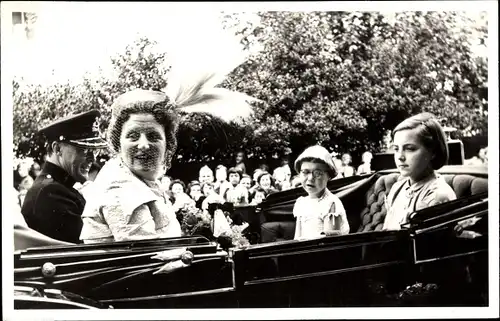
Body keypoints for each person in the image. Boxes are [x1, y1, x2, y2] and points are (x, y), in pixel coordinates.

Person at [21, 110, 108, 243]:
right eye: (83, 150)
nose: (92, 159)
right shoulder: (50, 193)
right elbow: (88, 247)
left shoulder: (57, 188)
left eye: (94, 151)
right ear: (57, 149)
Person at [383, 113, 457, 231]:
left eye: (410, 149)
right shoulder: (398, 187)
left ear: (432, 152)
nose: (400, 157)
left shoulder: (438, 196)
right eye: (396, 149)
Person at [293, 145, 350, 240]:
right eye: (305, 172)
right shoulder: (301, 202)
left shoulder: (331, 203)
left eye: (318, 173)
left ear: (329, 176)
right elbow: (297, 237)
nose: (310, 178)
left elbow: (329, 244)